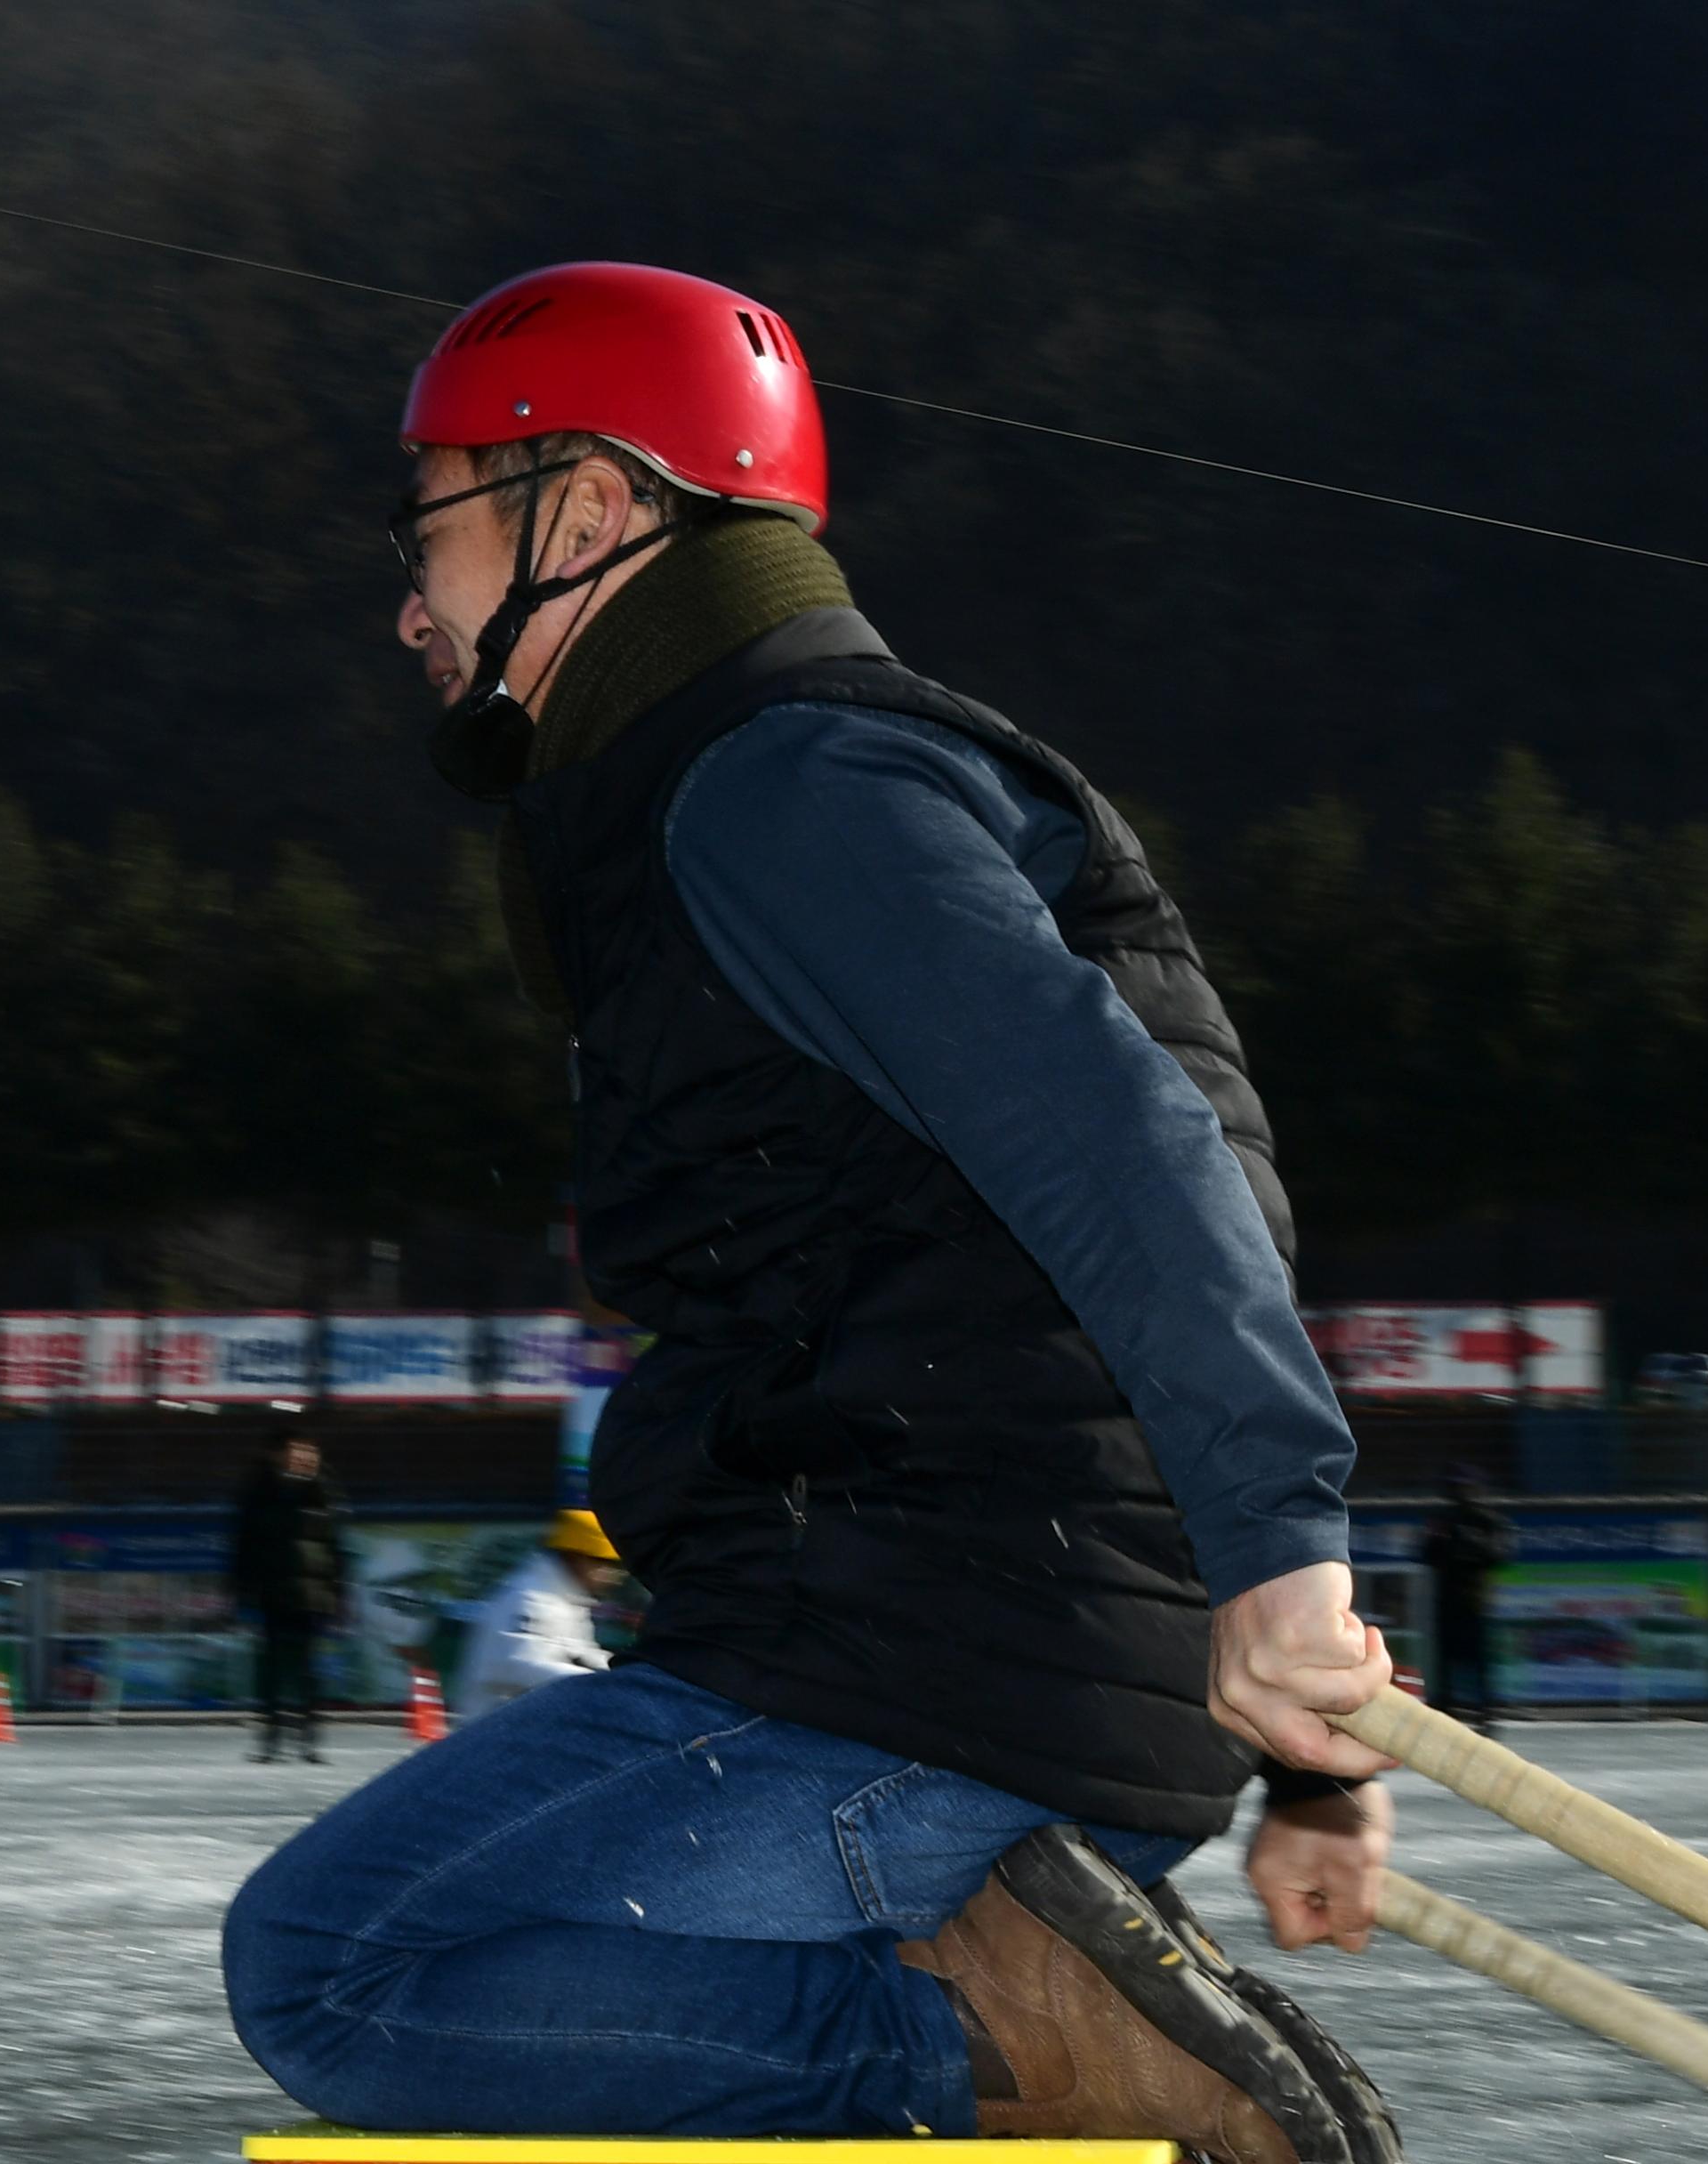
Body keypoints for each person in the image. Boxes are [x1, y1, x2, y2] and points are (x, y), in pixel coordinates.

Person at [222, 264, 1401, 2160]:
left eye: (424, 520)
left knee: (338, 1968)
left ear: (587, 510)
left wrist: (1285, 1552)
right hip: (962, 1637)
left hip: (935, 1655)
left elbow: (1139, 1154)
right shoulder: (751, 780)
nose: (403, 603)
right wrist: (1296, 1753)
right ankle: (1029, 2002)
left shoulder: (787, 787)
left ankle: (1004, 2040)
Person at [230, 1429, 345, 1764]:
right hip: (273, 1593)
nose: (307, 1459)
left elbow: (335, 1547)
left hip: (312, 1596)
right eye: (299, 1452)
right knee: (271, 1669)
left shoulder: (323, 1491)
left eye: (311, 1452)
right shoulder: (259, 1490)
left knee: (308, 1671)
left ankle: (309, 1740)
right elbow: (242, 1544)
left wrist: (337, 1590)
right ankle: (271, 1739)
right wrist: (241, 1590)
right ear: (277, 1455)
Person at [449, 1510, 619, 1720]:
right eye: (601, 1562)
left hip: (531, 1726)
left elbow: (581, 1654)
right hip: (495, 1730)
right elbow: (517, 1665)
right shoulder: (528, 1597)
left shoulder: (568, 1602)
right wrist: (601, 1682)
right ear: (574, 1557)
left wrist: (624, 1671)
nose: (611, 1575)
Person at [1422, 1467, 1513, 1734]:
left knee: (1479, 1662)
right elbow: (1427, 1554)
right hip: (1446, 1602)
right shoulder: (1442, 1520)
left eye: (1468, 1487)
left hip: (1476, 1602)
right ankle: (1444, 1713)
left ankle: (1485, 1714)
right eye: (1456, 1488)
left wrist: (1471, 1546)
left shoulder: (1488, 1521)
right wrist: (1447, 1542)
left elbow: (1499, 1556)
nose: (1462, 1494)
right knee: (1446, 1662)